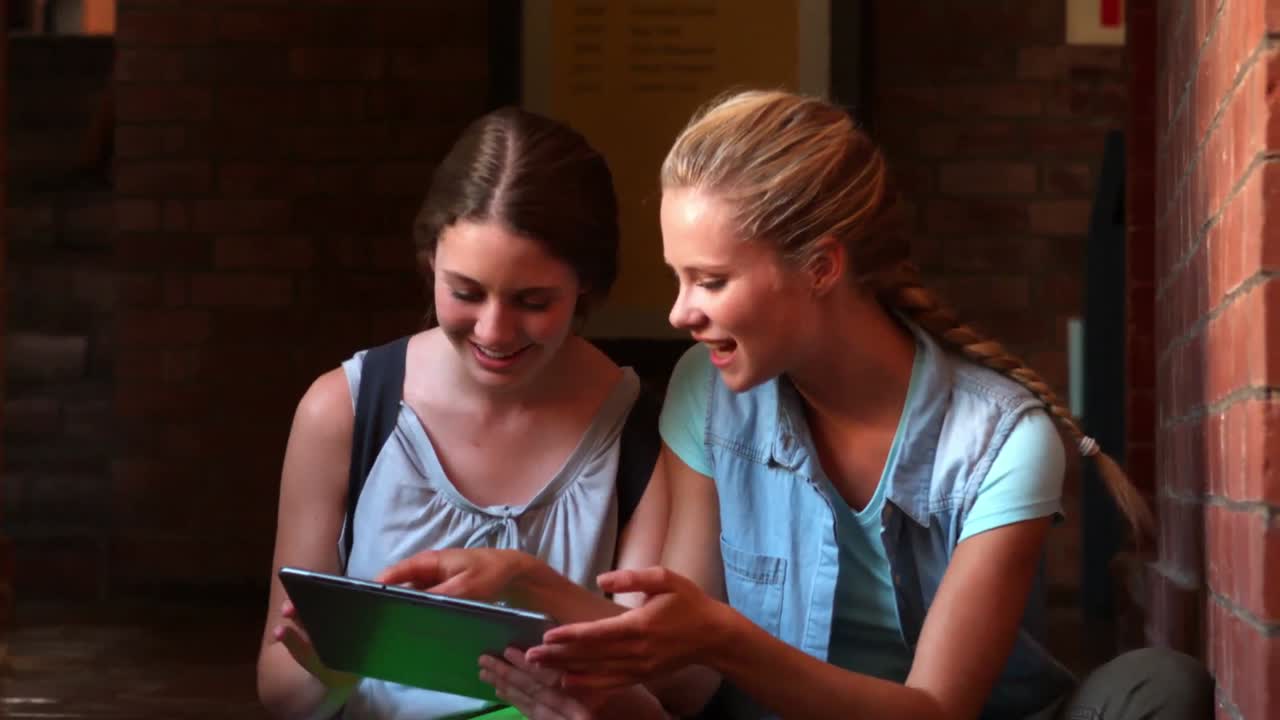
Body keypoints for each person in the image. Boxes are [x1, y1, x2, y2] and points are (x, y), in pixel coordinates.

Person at [474, 90, 1215, 719]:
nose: (679, 313)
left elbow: (936, 709)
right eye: (678, 278)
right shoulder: (707, 392)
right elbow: (684, 676)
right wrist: (528, 587)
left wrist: (725, 638)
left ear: (821, 267)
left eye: (711, 281)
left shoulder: (1001, 441)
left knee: (1158, 686)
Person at [255, 107, 672, 720]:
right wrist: (332, 673)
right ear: (430, 260)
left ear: (585, 282)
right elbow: (280, 688)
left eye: (533, 301)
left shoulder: (639, 432)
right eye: (465, 292)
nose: (494, 331)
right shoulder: (343, 410)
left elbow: (657, 687)